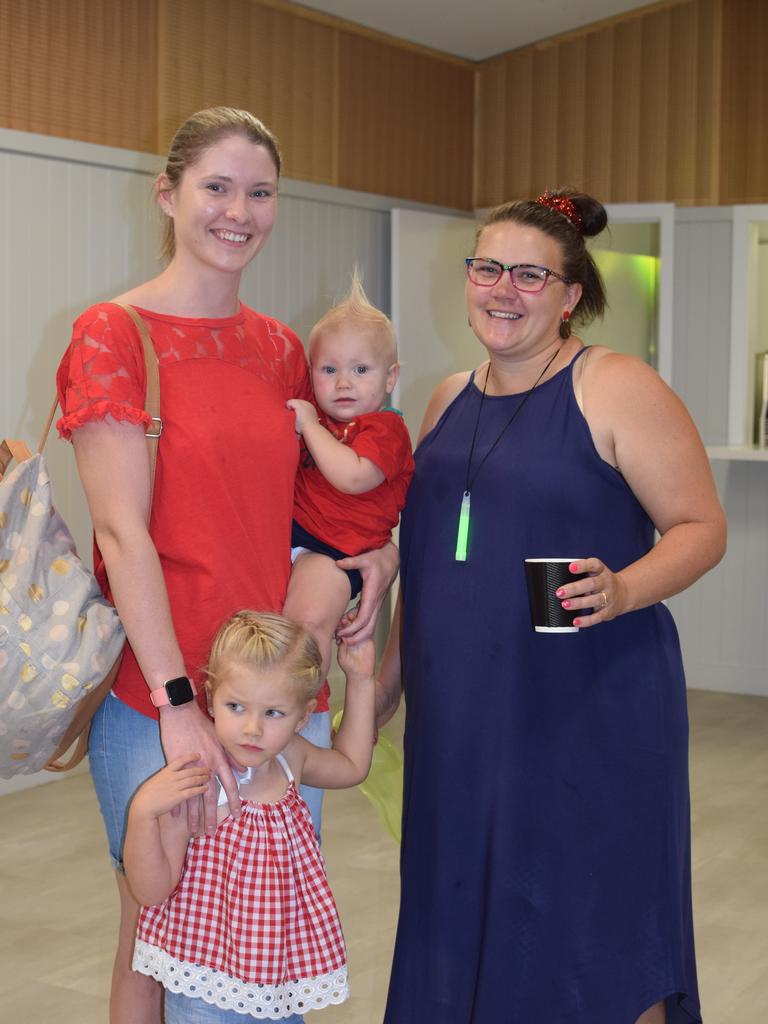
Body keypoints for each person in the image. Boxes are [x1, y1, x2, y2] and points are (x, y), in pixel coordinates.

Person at [55, 106, 398, 1024]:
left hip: (274, 701)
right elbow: (124, 535)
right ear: (168, 195)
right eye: (216, 186)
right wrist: (177, 706)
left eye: (260, 191)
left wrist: (377, 561)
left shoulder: (284, 351)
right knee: (159, 942)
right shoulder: (113, 335)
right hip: (158, 697)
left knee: (251, 970)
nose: (238, 210)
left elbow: (313, 509)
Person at [376, 189, 727, 1024]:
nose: (504, 288)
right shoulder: (444, 398)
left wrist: (626, 586)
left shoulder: (615, 386)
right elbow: (423, 565)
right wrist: (381, 685)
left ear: (571, 295)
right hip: (461, 719)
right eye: (489, 268)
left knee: (590, 917)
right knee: (458, 912)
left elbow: (701, 525)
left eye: (531, 275)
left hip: (586, 708)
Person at [124, 610, 375, 1024]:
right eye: (236, 706)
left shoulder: (291, 758)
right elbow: (151, 892)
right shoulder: (197, 781)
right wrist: (141, 814)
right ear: (210, 696)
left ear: (303, 715)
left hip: (277, 978)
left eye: (273, 713)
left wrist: (362, 681)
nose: (252, 729)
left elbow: (350, 766)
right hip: (205, 985)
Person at [284, 274, 414, 678]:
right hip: (294, 533)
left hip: (338, 552)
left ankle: (299, 703)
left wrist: (310, 427)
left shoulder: (385, 429)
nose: (343, 382)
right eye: (329, 369)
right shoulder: (321, 415)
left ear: (390, 378)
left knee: (306, 626)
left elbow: (353, 477)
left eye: (361, 369)